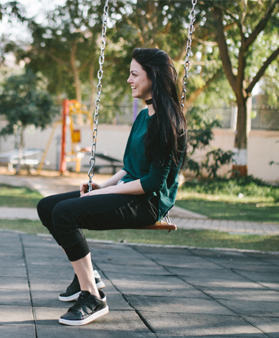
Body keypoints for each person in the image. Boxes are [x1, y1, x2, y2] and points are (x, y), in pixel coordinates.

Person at [37, 48, 187, 326]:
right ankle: (88, 274)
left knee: (65, 214)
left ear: (153, 76)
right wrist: (102, 185)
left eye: (134, 74)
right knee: (47, 207)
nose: (129, 80)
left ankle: (92, 297)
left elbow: (153, 182)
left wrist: (107, 192)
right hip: (130, 189)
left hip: (149, 202)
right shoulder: (143, 116)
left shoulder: (168, 122)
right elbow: (130, 167)